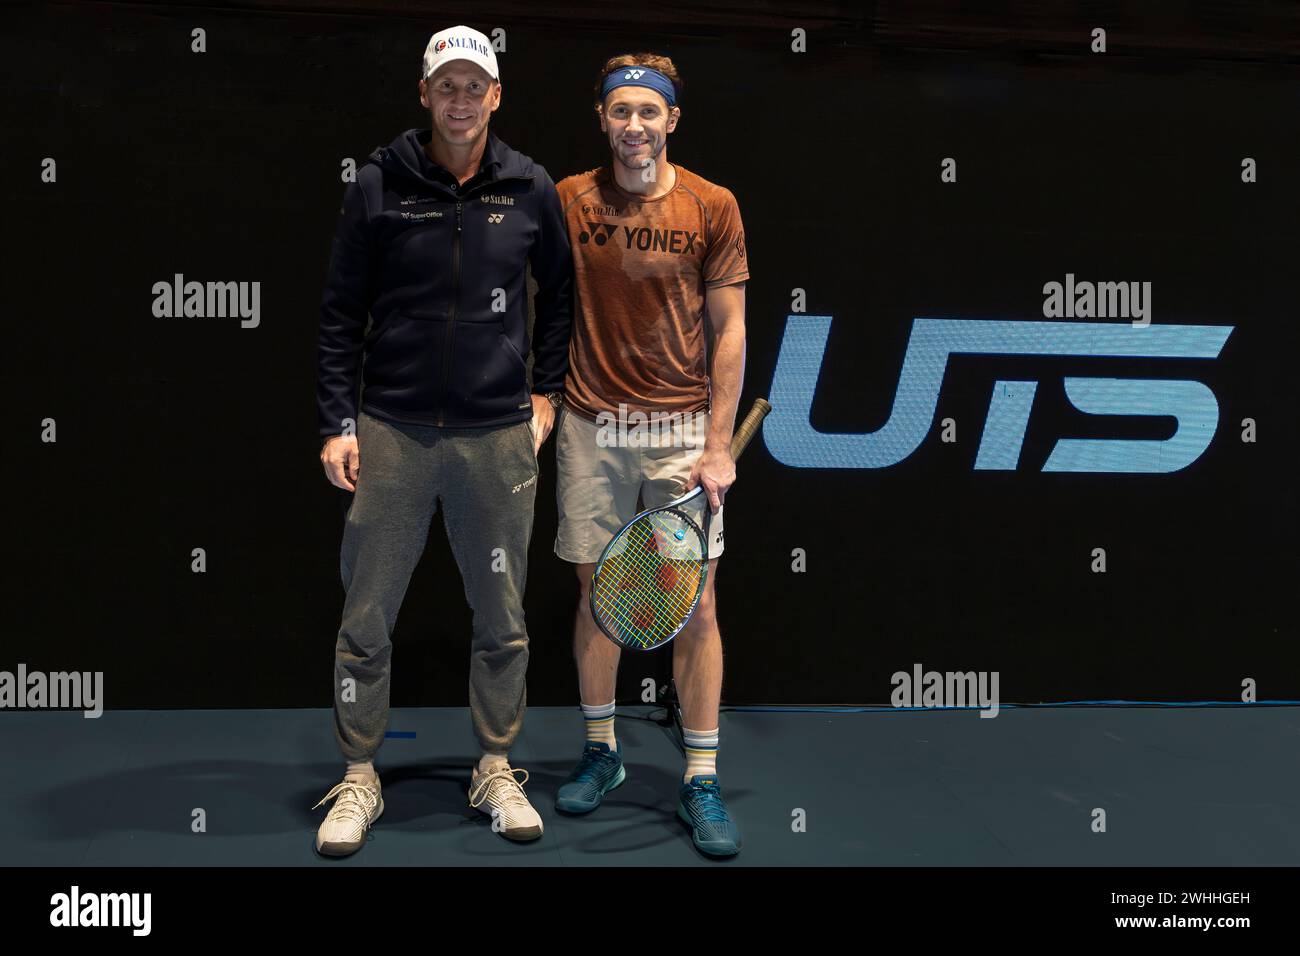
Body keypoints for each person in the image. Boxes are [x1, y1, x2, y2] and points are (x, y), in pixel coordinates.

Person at [311, 24, 571, 855]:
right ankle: (358, 777)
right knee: (366, 618)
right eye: (445, 86)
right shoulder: (381, 183)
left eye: (475, 86)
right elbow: (339, 314)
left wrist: (545, 395)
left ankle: (494, 765)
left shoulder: (530, 186)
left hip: (497, 437)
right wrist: (336, 421)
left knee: (502, 617)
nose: (460, 100)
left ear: (496, 96)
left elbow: (561, 298)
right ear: (425, 95)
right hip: (391, 431)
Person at [552, 54, 749, 856]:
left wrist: (716, 445)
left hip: (678, 433)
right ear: (602, 117)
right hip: (590, 426)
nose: (634, 124)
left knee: (695, 607)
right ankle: (602, 754)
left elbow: (730, 328)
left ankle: (700, 777)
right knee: (600, 596)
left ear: (672, 119)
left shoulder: (714, 204)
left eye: (649, 111)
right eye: (620, 110)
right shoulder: (566, 199)